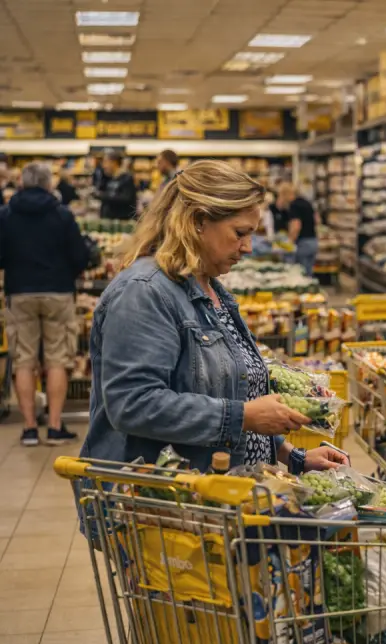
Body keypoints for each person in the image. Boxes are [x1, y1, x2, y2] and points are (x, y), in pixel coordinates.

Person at [82, 160, 348, 472]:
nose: (248, 247)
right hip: (164, 493)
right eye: (240, 233)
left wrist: (292, 456)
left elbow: (230, 393)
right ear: (197, 221)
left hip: (221, 488)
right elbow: (132, 404)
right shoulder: (144, 292)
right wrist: (243, 416)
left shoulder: (209, 288)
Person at [0, 162, 91, 446]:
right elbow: (81, 256)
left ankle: (29, 429)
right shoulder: (62, 214)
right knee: (57, 360)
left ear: (22, 182)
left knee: (23, 361)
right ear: (48, 183)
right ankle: (54, 427)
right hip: (58, 293)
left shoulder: (6, 214)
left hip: (19, 293)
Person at [278, 182, 318, 277]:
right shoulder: (306, 202)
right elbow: (317, 219)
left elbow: (296, 225)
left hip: (303, 243)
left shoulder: (294, 205)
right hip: (313, 241)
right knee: (308, 273)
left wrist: (290, 242)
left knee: (300, 274)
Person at [97, 150, 137, 220]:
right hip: (110, 222)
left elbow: (126, 198)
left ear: (114, 163)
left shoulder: (126, 178)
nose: (103, 166)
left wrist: (103, 196)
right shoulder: (111, 179)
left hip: (122, 223)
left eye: (105, 162)